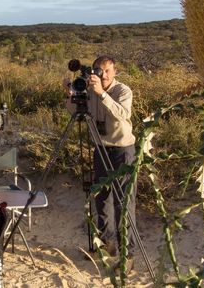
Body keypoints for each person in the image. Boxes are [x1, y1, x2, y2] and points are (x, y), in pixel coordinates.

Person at [63, 55, 136, 262]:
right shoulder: (90, 89)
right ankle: (107, 245)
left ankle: (128, 255)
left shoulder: (122, 90)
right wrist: (70, 93)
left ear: (115, 72)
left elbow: (122, 113)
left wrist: (102, 94)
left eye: (106, 71)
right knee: (102, 199)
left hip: (122, 151)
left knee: (124, 202)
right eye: (98, 70)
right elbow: (75, 111)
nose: (102, 75)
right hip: (100, 149)